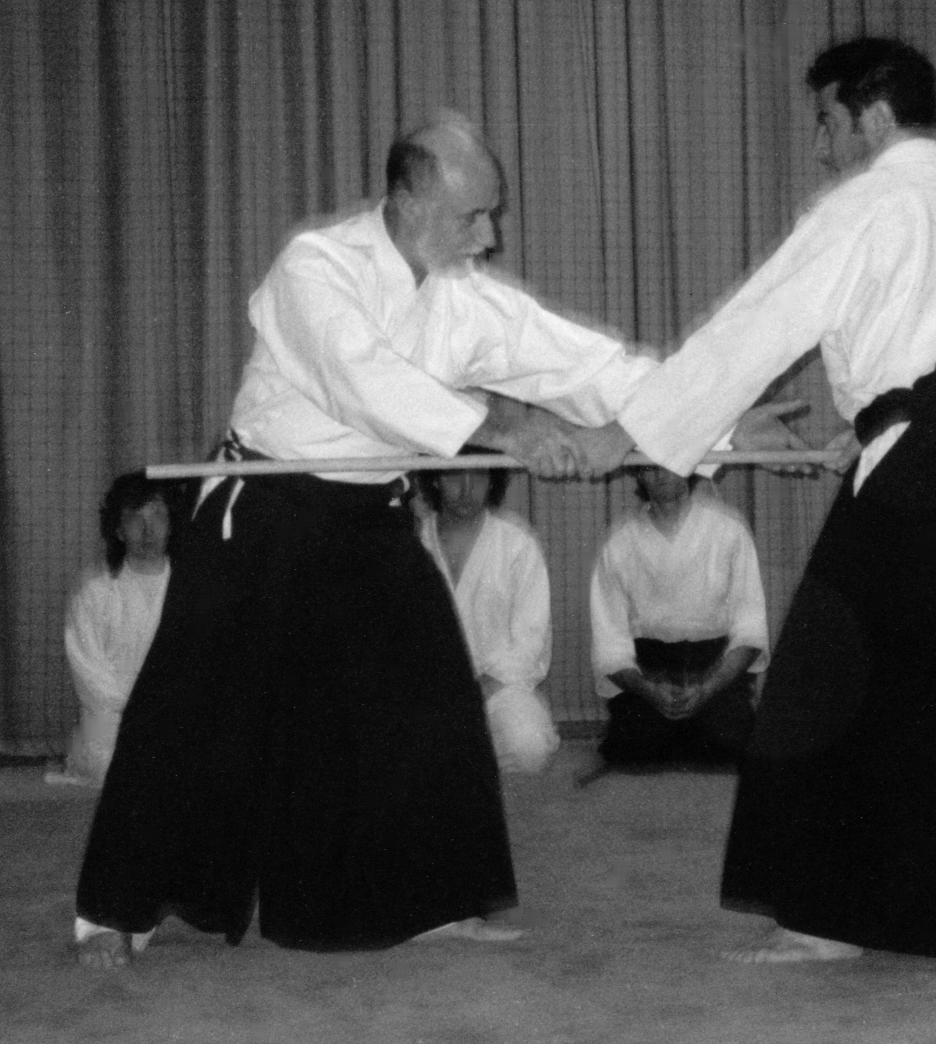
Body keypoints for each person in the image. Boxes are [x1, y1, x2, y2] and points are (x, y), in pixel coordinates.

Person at [575, 38, 936, 964]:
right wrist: (878, 427)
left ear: (873, 117)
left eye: (827, 122)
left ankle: (833, 916)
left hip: (931, 459)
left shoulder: (865, 203)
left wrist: (629, 430)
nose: (820, 146)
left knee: (831, 675)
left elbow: (758, 326)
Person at [73, 113, 668, 969]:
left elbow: (588, 365)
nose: (489, 236)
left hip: (370, 511)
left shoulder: (465, 299)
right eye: (473, 217)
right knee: (197, 709)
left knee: (427, 694)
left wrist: (705, 412)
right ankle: (116, 909)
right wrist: (506, 428)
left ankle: (422, 901)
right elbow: (361, 381)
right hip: (265, 502)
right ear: (411, 202)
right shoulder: (315, 266)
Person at [589, 467, 768, 768]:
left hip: (714, 664)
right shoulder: (620, 540)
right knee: (633, 752)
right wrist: (648, 690)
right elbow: (610, 645)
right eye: (649, 468)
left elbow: (750, 629)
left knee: (731, 746)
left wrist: (708, 687)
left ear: (688, 466)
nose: (660, 475)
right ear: (638, 475)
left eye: (669, 464)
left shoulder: (729, 528)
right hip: (649, 668)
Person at [415, 452, 559, 775]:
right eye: (454, 475)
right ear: (435, 479)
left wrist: (480, 688)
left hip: (499, 687)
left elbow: (531, 643)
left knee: (530, 748)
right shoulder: (415, 542)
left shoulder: (517, 543)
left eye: (478, 476)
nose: (467, 489)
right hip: (429, 687)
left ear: (492, 479)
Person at [48, 473, 177, 788]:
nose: (147, 529)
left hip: (176, 712)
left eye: (157, 516)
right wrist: (138, 708)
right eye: (134, 518)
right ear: (118, 530)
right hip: (113, 715)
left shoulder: (191, 586)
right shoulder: (93, 588)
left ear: (172, 523)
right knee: (110, 766)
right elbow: (89, 673)